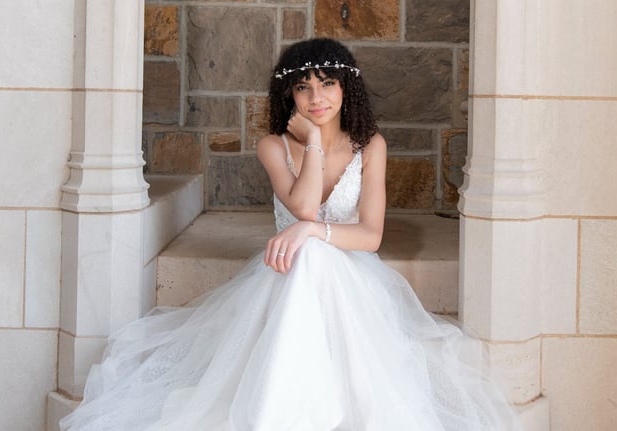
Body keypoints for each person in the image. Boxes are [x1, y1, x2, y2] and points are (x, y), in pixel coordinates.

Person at [60, 38, 520, 431]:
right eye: (303, 87)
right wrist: (315, 144)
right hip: (287, 275)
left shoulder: (371, 146)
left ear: (346, 88)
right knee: (309, 259)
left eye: (327, 83)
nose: (315, 97)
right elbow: (301, 204)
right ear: (289, 95)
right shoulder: (273, 145)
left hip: (350, 276)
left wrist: (311, 232)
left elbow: (370, 236)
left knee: (315, 255)